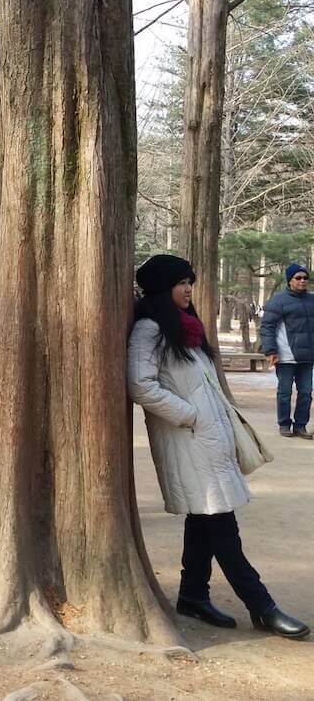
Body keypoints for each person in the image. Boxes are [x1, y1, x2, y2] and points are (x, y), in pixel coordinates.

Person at [128, 254, 309, 639]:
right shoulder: (150, 329)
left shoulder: (187, 329)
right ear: (162, 288)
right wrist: (189, 415)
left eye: (190, 281)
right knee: (223, 531)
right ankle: (262, 606)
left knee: (204, 520)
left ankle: (193, 594)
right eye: (181, 283)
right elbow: (140, 385)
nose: (188, 288)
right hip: (188, 442)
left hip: (208, 442)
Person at [259, 263, 314, 440]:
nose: (302, 281)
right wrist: (270, 351)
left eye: (305, 278)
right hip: (285, 356)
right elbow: (267, 327)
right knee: (284, 392)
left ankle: (300, 426)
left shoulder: (312, 300)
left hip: (307, 357)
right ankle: (284, 424)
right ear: (289, 280)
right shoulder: (278, 301)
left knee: (306, 392)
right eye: (298, 278)